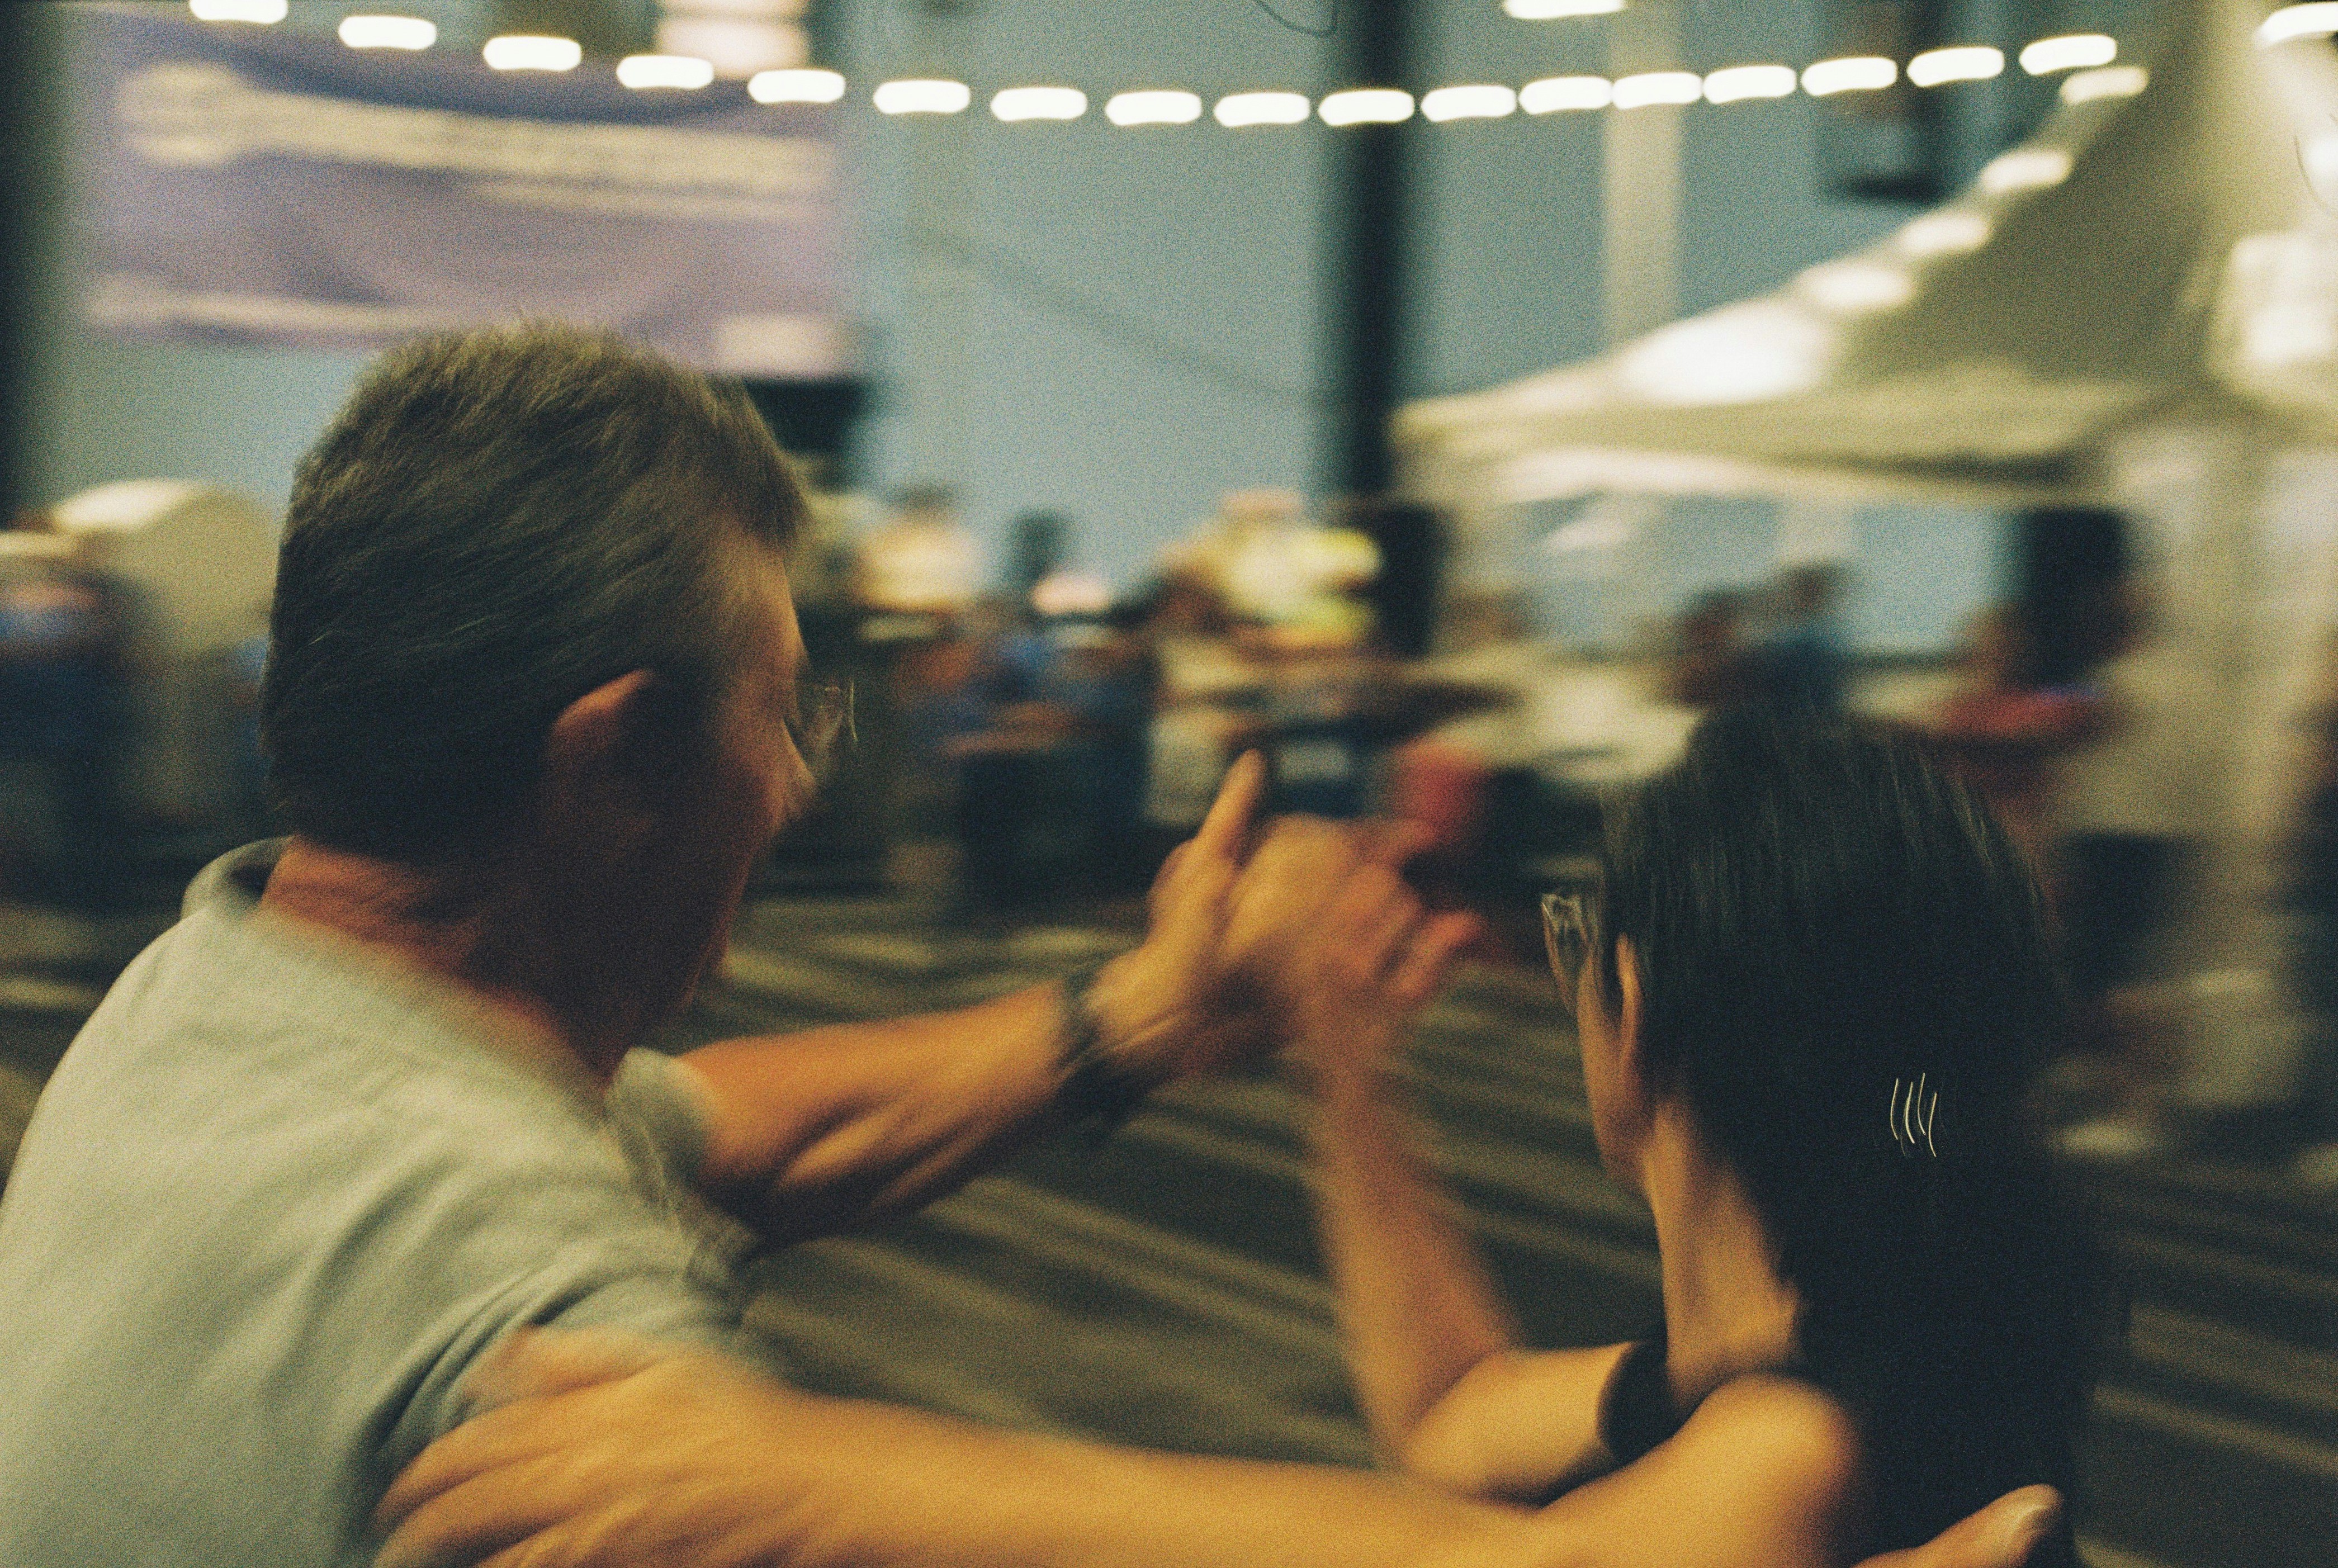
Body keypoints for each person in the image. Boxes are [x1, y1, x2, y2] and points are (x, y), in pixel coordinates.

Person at [0, 325, 2066, 1568]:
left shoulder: (208, 994)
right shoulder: (518, 1287)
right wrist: (1229, 1030)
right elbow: (1446, 1440)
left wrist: (824, 1475)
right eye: (787, 705)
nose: (808, 780)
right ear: (616, 755)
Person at [1289, 712, 2115, 1566]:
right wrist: (1345, 1061)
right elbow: (1448, 1414)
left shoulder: (1792, 1454)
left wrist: (1141, 1024)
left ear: (1636, 1010)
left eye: (1578, 944)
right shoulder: (1861, 1340)